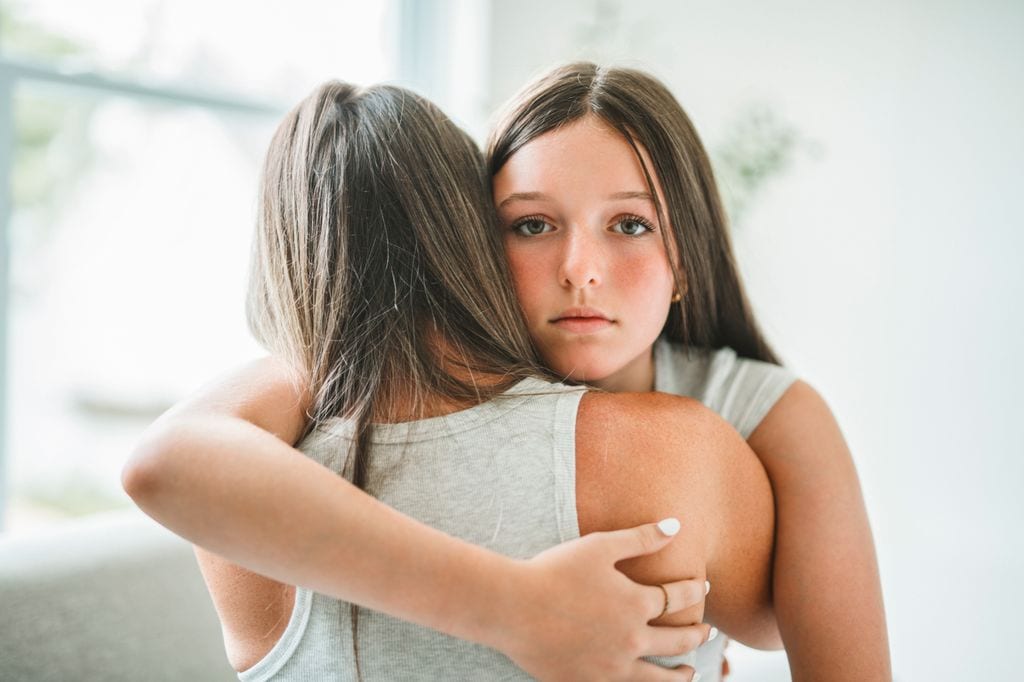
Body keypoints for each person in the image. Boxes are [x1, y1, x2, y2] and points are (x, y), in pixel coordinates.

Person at [123, 80, 779, 682]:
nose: (579, 269)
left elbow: (167, 459)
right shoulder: (675, 449)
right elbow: (774, 625)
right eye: (531, 225)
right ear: (478, 232)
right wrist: (521, 609)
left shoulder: (243, 520)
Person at [486, 62, 891, 681]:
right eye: (533, 225)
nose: (579, 270)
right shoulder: (427, 395)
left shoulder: (771, 415)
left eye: (630, 224)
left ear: (686, 260)